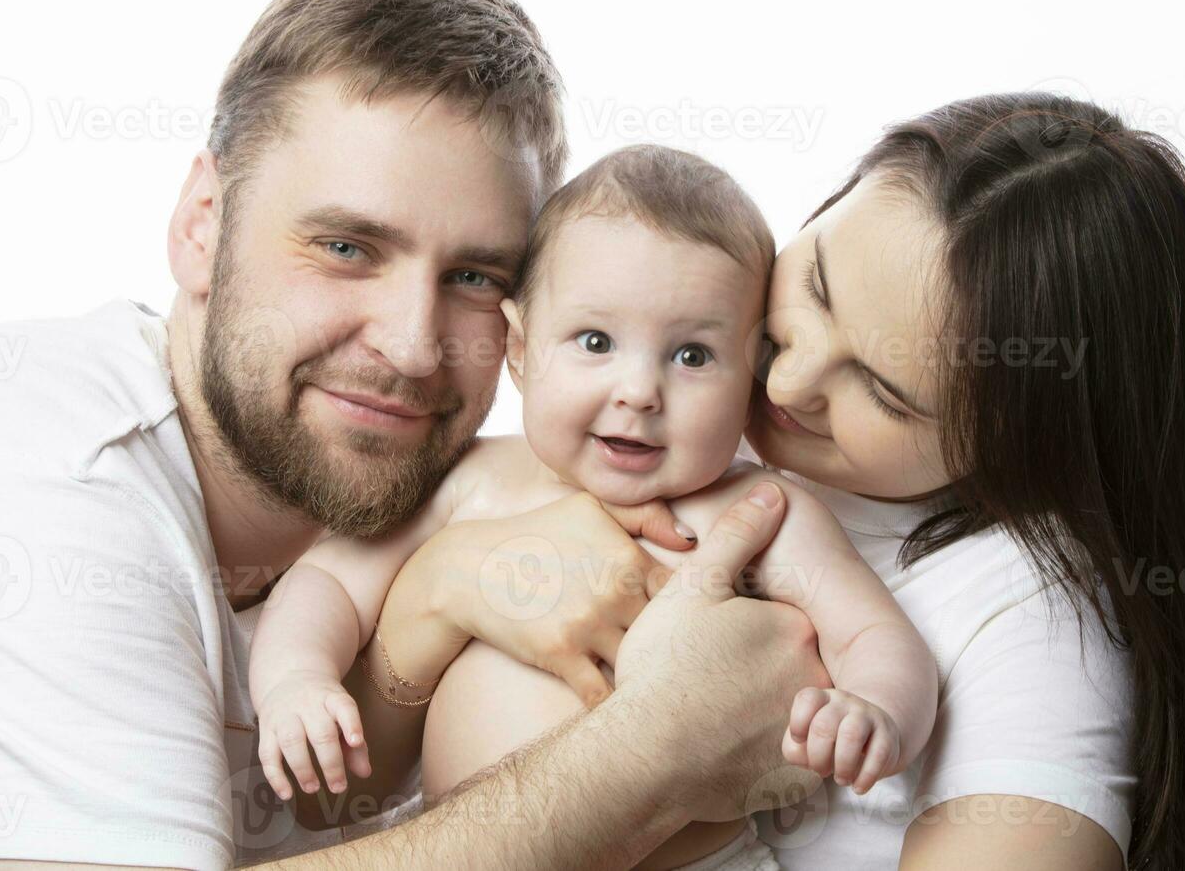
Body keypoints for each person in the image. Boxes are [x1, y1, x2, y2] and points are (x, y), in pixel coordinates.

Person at [0, 0, 829, 870]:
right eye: (348, 248)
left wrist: (432, 599)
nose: (410, 344)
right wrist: (653, 748)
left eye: (474, 276)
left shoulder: (469, 507)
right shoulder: (37, 477)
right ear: (202, 225)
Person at [366, 93, 1185, 870]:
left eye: (884, 392)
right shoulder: (633, 450)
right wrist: (443, 587)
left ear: (1019, 443)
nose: (784, 381)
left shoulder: (1028, 617)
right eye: (814, 286)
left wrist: (683, 743)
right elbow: (333, 799)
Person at [245, 144, 939, 870]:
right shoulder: (473, 481)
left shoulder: (762, 512)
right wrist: (298, 679)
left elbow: (879, 637)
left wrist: (875, 709)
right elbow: (326, 584)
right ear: (519, 347)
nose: (639, 390)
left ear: (752, 372)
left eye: (693, 355)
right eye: (596, 341)